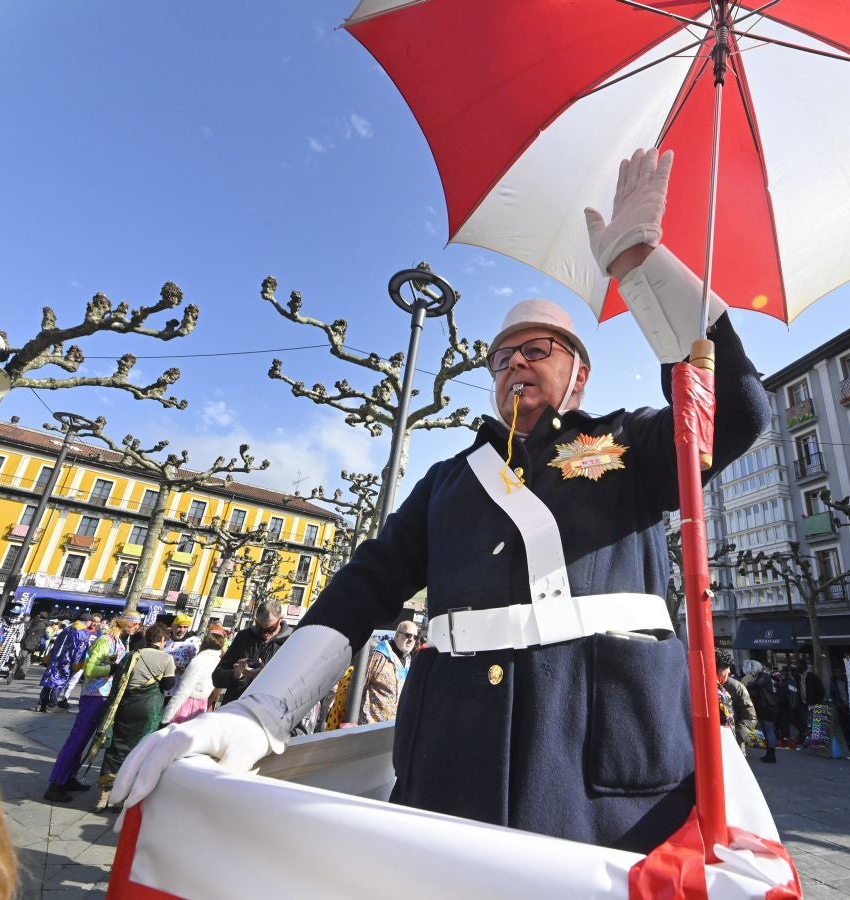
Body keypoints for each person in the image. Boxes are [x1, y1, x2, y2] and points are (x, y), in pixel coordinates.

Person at [111, 148, 771, 854]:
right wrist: (261, 712)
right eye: (502, 356)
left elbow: (734, 413)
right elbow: (363, 590)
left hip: (606, 775)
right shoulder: (449, 480)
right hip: (453, 766)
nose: (516, 362)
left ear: (578, 376)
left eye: (538, 348)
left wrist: (641, 266)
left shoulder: (628, 441)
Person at [43, 614, 140, 802]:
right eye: (135, 624)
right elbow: (90, 670)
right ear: (126, 623)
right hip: (94, 696)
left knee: (85, 740)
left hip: (104, 696)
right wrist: (113, 670)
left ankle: (69, 778)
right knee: (77, 739)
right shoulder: (105, 641)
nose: (137, 627)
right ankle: (55, 785)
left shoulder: (119, 641)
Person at [94, 623, 177, 811]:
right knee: (139, 751)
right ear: (163, 639)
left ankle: (103, 795)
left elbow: (118, 680)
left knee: (116, 747)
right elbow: (168, 685)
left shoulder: (132, 655)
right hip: (148, 710)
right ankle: (120, 798)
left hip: (125, 707)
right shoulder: (166, 658)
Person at [211, 600, 293, 705]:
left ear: (281, 618)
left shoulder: (291, 641)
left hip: (269, 711)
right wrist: (236, 675)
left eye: (270, 628)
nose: (265, 633)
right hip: (235, 708)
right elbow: (217, 677)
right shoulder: (243, 637)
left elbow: (296, 687)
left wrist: (264, 676)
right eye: (259, 627)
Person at [162, 629, 227, 726]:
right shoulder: (218, 660)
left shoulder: (200, 660)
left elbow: (184, 690)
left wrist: (167, 716)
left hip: (187, 705)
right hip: (202, 704)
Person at [360, 621, 417, 724]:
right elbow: (357, 687)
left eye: (415, 637)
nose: (411, 640)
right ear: (397, 635)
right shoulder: (378, 657)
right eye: (408, 635)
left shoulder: (408, 662)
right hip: (369, 727)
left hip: (392, 729)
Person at [36, 614, 95, 712]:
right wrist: (78, 664)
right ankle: (52, 704)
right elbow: (79, 651)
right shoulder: (83, 633)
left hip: (55, 658)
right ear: (87, 621)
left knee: (49, 682)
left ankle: (41, 704)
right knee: (59, 683)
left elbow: (57, 643)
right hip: (68, 662)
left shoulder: (67, 629)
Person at [716, 649, 756, 756]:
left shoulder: (736, 687)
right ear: (719, 670)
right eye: (726, 668)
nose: (729, 671)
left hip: (733, 740)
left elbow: (750, 717)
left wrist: (737, 735)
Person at [747, 663, 779, 763]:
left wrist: (749, 683)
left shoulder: (763, 676)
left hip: (767, 707)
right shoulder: (761, 676)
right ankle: (769, 753)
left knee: (768, 730)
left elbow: (757, 684)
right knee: (767, 730)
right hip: (765, 706)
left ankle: (771, 754)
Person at [163, 613, 200, 696]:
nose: (182, 630)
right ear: (172, 626)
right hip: (163, 686)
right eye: (179, 626)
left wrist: (187, 669)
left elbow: (197, 663)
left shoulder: (194, 642)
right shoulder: (163, 639)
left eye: (185, 627)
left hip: (181, 688)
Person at [14, 610, 51, 678]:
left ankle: (19, 674)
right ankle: (22, 674)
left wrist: (30, 629)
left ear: (41, 616)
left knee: (22, 658)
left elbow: (29, 631)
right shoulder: (44, 624)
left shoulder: (40, 624)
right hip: (34, 642)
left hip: (30, 642)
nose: (37, 615)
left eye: (39, 615)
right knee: (27, 659)